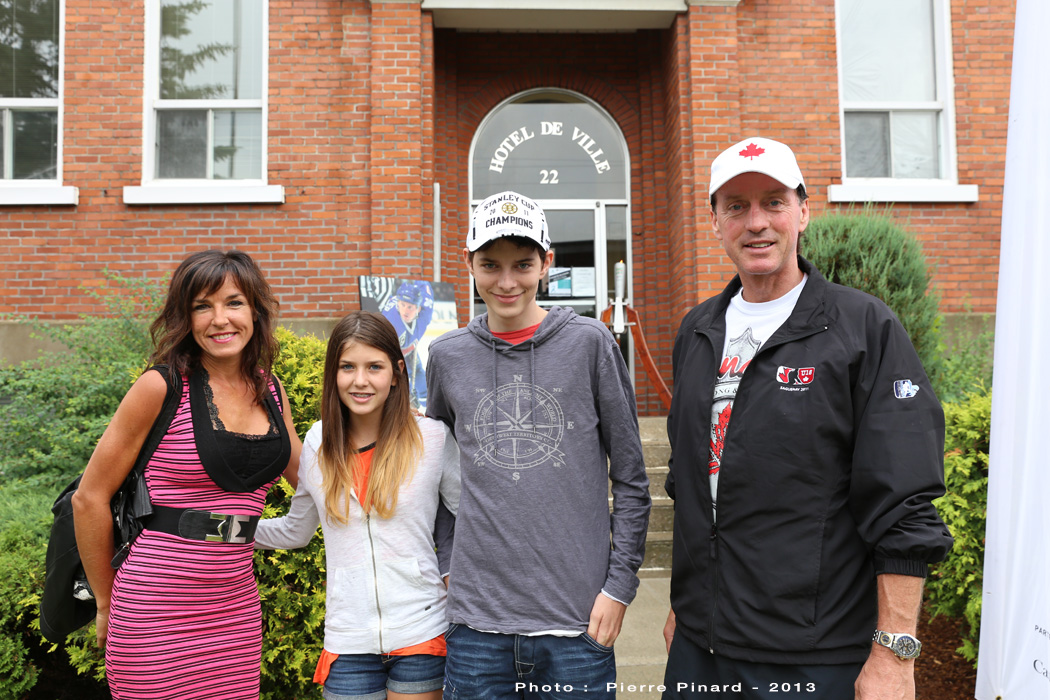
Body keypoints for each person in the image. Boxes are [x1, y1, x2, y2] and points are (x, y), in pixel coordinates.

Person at [661, 137, 954, 699]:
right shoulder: (698, 330)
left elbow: (905, 501)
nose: (756, 223)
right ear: (715, 220)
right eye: (737, 206)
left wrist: (894, 654)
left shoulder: (862, 328)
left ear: (803, 211)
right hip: (701, 649)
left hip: (812, 660)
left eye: (773, 202)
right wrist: (687, 609)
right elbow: (692, 482)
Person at [425, 190, 651, 698]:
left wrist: (618, 588)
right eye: (491, 265)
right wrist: (446, 567)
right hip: (476, 628)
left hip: (578, 625)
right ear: (470, 264)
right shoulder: (447, 356)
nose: (507, 282)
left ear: (547, 263)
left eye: (523, 264)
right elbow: (434, 474)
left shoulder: (591, 344)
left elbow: (632, 481)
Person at [71, 249, 302, 699]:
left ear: (254, 310)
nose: (220, 319)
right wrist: (105, 602)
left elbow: (312, 480)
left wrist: (391, 425)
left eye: (234, 302)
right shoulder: (160, 387)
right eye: (202, 306)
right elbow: (89, 498)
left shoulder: (270, 390)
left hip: (234, 609)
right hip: (153, 609)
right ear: (185, 317)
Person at [255, 310, 460, 700]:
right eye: (347, 367)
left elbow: (473, 519)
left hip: (422, 630)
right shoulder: (317, 443)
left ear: (397, 372)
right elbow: (295, 531)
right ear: (334, 373)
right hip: (348, 640)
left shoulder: (431, 438)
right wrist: (221, 529)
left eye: (374, 367)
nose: (360, 380)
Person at [381, 280, 435, 410]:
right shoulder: (392, 324)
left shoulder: (425, 313)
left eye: (410, 307)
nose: (405, 310)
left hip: (408, 347)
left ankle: (427, 403)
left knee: (418, 370)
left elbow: (426, 285)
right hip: (392, 351)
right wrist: (408, 393)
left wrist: (416, 284)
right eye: (402, 304)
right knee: (402, 375)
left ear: (418, 308)